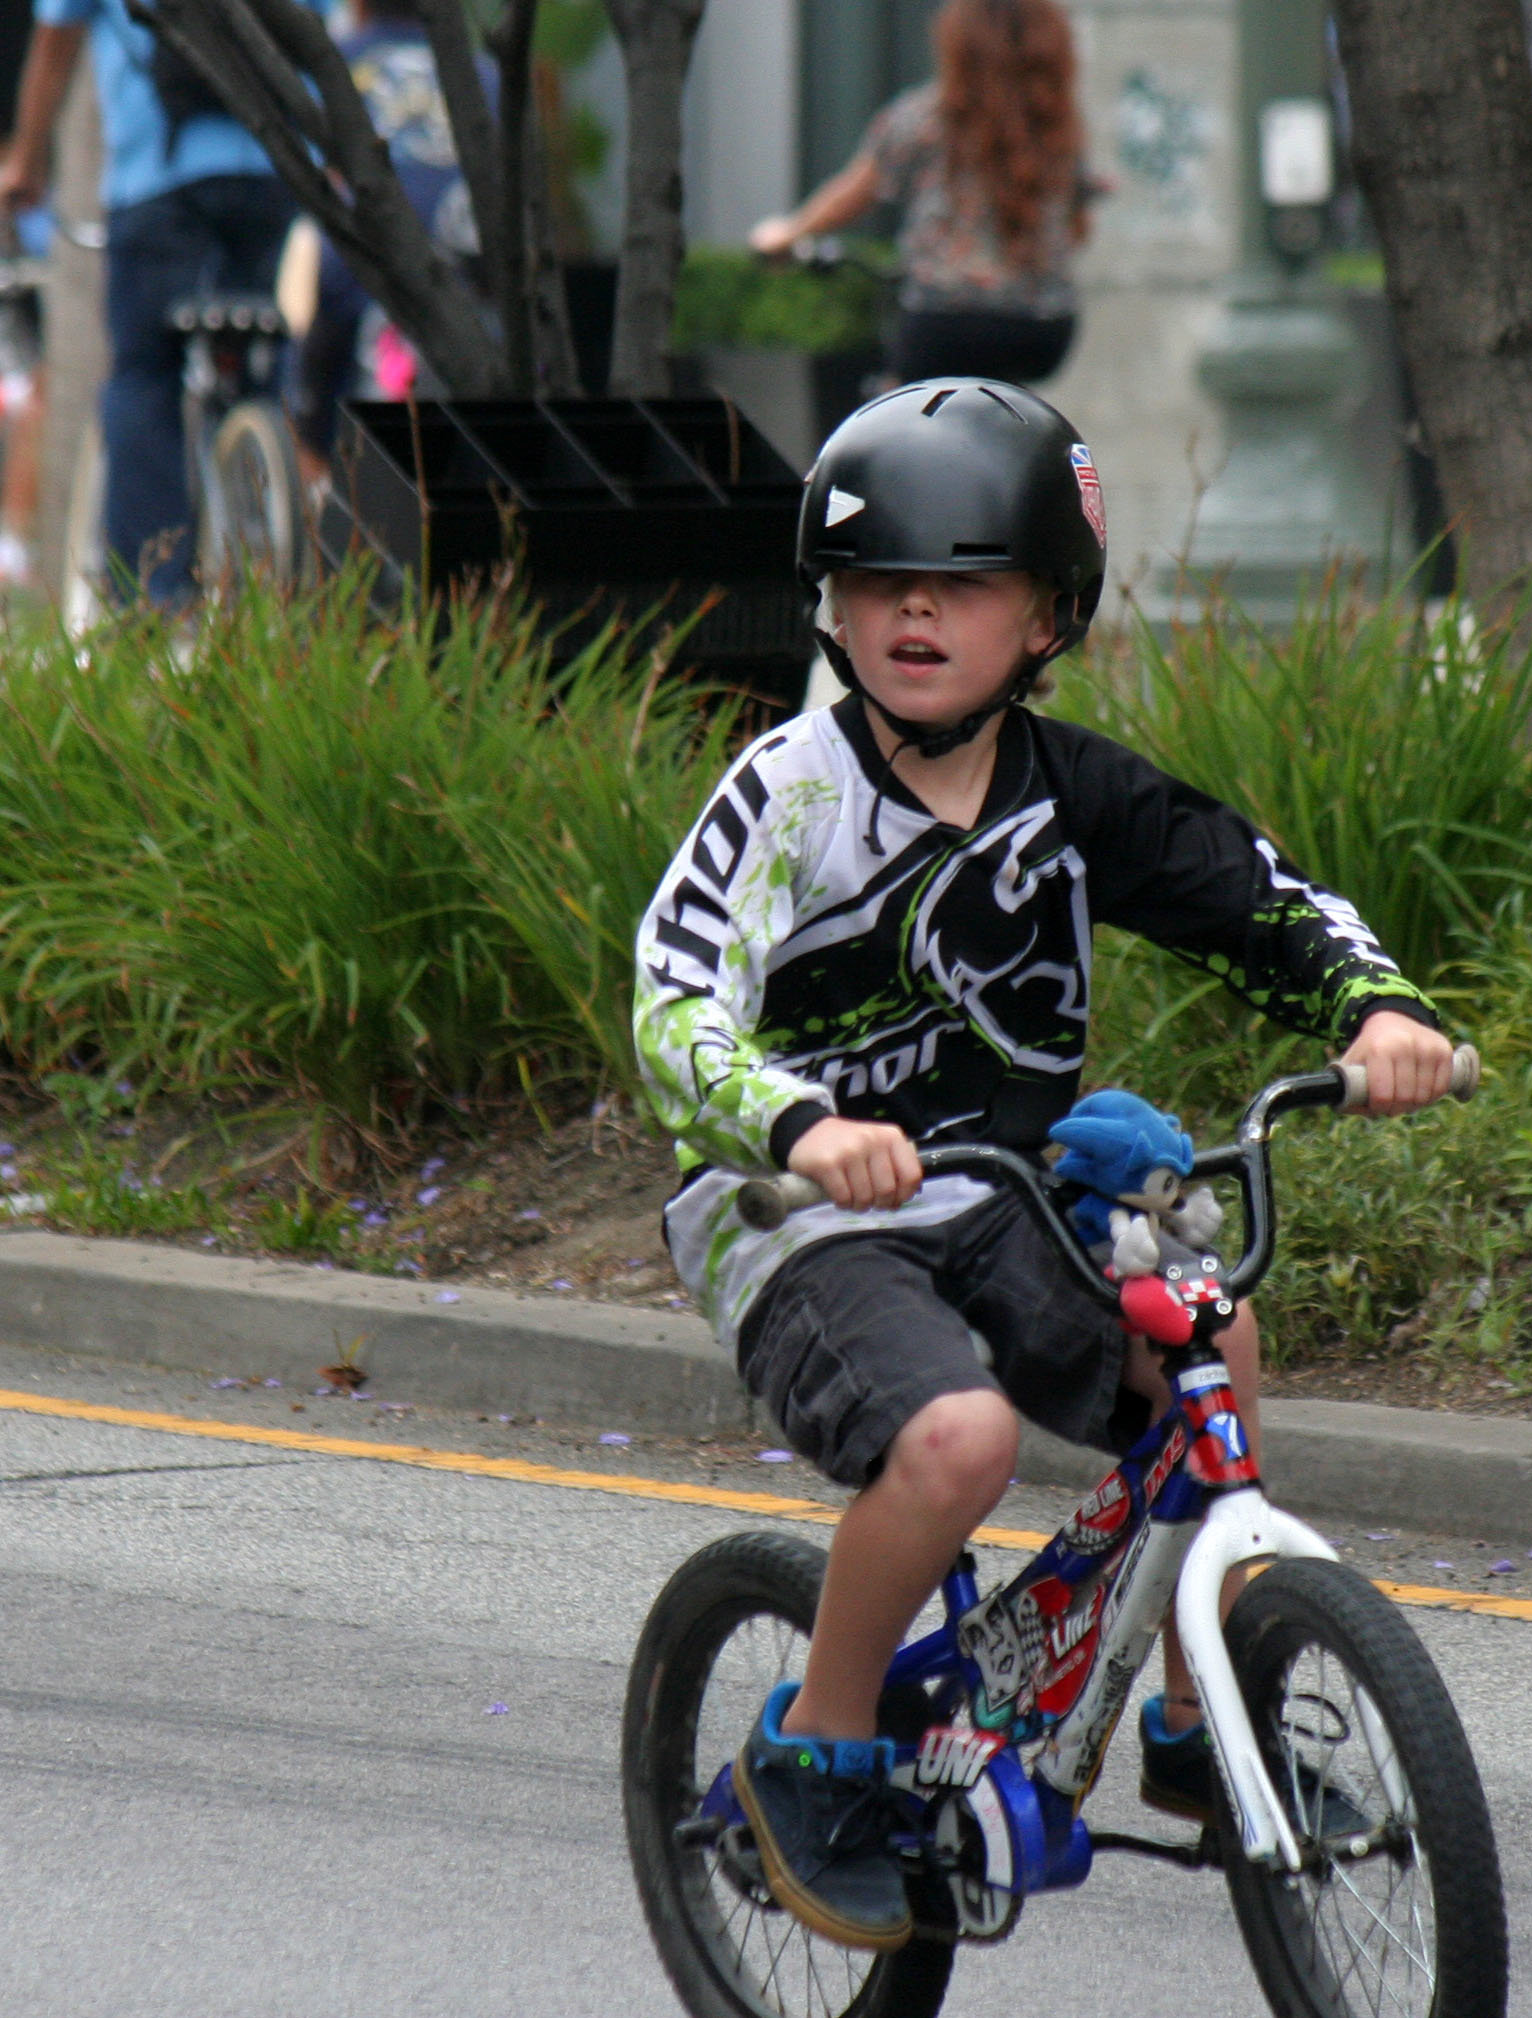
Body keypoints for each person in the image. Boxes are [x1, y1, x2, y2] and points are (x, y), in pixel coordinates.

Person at [633, 379, 1454, 1950]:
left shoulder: (1078, 796)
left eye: (966, 581)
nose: (916, 610)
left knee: (1210, 1330)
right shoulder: (789, 794)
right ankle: (819, 1742)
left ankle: (1202, 1716)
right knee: (956, 1441)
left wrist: (1381, 1007)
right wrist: (803, 1123)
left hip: (1000, 1189)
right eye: (879, 582)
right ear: (832, 605)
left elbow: (1258, 896)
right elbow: (673, 1004)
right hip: (796, 1213)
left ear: (1050, 615)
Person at [0, 0, 304, 606]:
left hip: (158, 180)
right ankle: (270, 545)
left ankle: (154, 598)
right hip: (273, 179)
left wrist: (27, 163)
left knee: (144, 374)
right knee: (258, 359)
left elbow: (56, 38)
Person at [749, 0, 1093, 388]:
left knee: (900, 409)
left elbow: (852, 195)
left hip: (947, 321)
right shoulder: (1059, 126)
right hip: (1045, 330)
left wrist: (788, 233)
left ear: (958, 42)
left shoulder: (926, 116)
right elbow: (1078, 227)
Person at [288, 0, 487, 476]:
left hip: (362, 276)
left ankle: (315, 478)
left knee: (310, 371)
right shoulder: (481, 74)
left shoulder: (337, 63)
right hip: (466, 281)